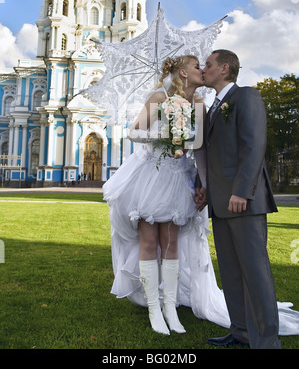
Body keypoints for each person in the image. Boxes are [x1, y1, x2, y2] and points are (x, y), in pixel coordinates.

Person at [103, 54, 207, 335]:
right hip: (152, 175)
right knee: (149, 240)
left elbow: (197, 141)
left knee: (170, 242)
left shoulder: (198, 103)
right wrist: (162, 136)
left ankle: (170, 308)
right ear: (183, 73)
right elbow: (134, 132)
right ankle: (153, 309)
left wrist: (182, 137)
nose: (201, 70)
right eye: (196, 66)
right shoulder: (158, 97)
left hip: (178, 176)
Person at [200, 49, 281, 349]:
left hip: (243, 201)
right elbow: (211, 155)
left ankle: (267, 341)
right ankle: (242, 333)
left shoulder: (247, 97)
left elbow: (254, 145)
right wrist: (202, 187)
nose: (203, 69)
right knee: (232, 273)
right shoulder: (212, 108)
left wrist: (242, 191)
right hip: (219, 204)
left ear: (224, 69)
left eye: (208, 65)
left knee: (255, 273)